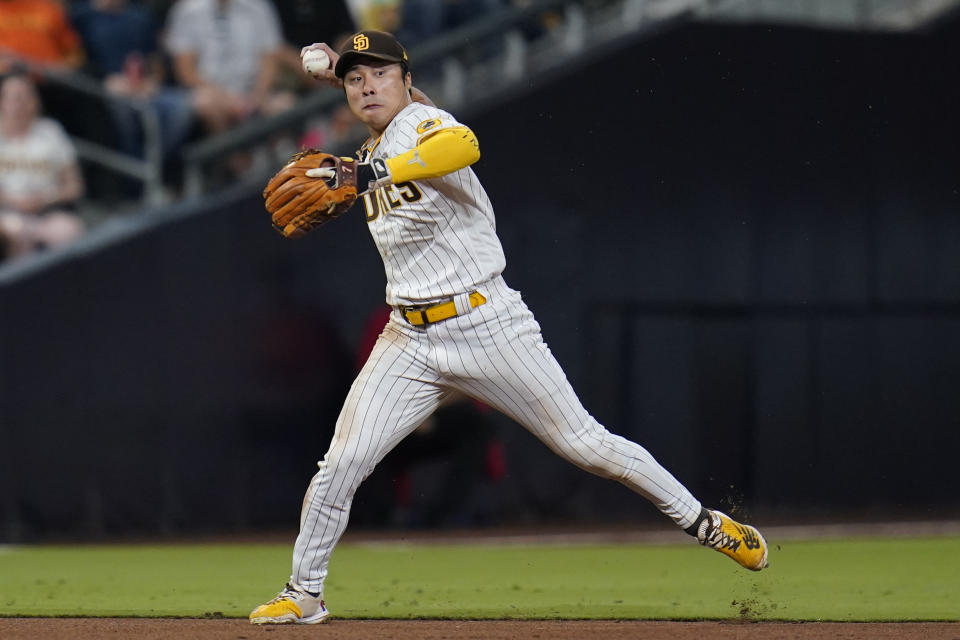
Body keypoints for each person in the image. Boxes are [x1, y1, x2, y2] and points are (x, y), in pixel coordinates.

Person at [248, 30, 769, 626]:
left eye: (382, 74)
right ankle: (304, 594)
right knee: (340, 464)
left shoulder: (421, 125)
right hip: (409, 338)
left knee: (587, 446)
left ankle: (706, 524)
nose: (368, 86)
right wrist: (338, 70)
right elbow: (363, 103)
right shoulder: (363, 151)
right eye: (356, 80)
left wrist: (365, 165)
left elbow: (462, 145)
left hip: (486, 322)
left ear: (409, 79)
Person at [69, 0, 194, 164]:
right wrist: (106, 81)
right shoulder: (81, 17)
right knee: (122, 114)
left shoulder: (140, 16)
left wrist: (153, 81)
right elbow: (78, 61)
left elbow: (155, 59)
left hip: (143, 88)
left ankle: (152, 163)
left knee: (183, 107)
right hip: (104, 91)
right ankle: (131, 168)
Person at [0, 69, 85, 261]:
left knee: (68, 231)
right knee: (11, 231)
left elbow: (74, 186)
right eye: (16, 97)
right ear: (2, 102)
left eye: (28, 95)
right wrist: (12, 201)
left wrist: (46, 198)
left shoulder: (51, 131)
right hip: (7, 213)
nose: (23, 103)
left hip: (49, 211)